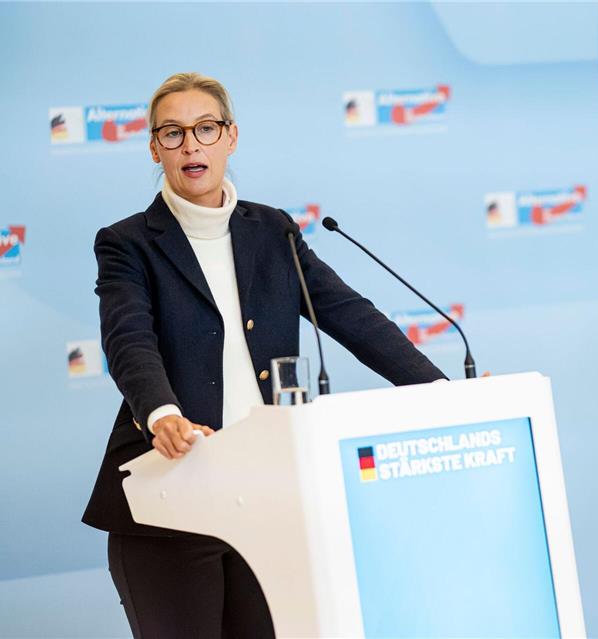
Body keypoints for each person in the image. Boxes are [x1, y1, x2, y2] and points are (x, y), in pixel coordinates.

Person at [82, 72, 446, 638]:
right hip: (169, 503)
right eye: (173, 133)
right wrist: (162, 413)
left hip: (265, 500)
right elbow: (129, 339)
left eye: (206, 128)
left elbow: (351, 316)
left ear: (230, 137)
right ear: (154, 147)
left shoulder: (273, 231)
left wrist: (442, 391)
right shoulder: (127, 242)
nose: (191, 145)